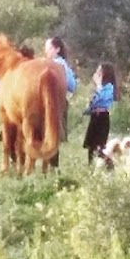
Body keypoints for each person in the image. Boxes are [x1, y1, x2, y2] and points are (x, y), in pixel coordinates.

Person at [44, 36, 77, 168]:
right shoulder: (59, 63)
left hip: (55, 103)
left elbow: (71, 84)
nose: (46, 51)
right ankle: (51, 166)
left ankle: (52, 166)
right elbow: (73, 86)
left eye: (49, 48)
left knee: (53, 133)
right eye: (46, 48)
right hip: (56, 102)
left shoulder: (59, 64)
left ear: (57, 49)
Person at [82, 62, 119, 166]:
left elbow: (102, 98)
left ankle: (110, 164)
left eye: (99, 72)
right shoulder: (100, 88)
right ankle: (90, 167)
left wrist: (98, 85)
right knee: (90, 145)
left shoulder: (109, 87)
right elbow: (94, 101)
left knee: (99, 147)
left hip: (102, 118)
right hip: (94, 117)